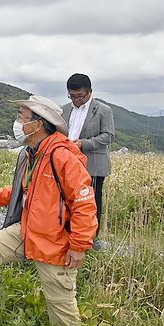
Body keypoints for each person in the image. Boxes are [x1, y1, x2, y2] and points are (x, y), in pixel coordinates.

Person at [0, 95, 97, 326]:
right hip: (28, 231)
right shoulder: (33, 153)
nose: (17, 121)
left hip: (55, 242)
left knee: (60, 304)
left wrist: (79, 246)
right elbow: (25, 191)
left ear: (38, 124)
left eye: (22, 116)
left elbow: (84, 204)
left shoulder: (61, 156)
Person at [62, 73, 113, 235]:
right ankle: (70, 232)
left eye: (80, 96)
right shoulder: (65, 109)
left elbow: (108, 135)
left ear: (90, 92)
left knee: (92, 201)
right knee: (69, 198)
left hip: (93, 164)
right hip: (69, 163)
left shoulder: (103, 110)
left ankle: (91, 237)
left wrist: (83, 144)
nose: (76, 100)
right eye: (72, 96)